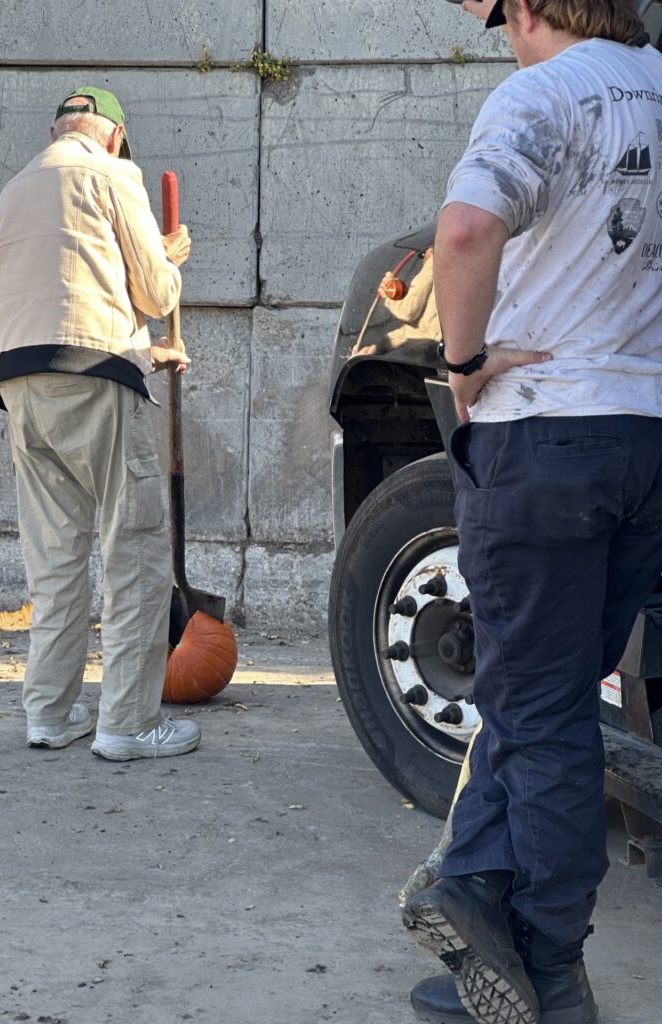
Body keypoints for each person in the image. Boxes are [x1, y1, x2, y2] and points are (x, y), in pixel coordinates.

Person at [402, 2, 662, 1023]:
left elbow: (466, 229)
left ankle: (551, 967)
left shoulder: (546, 92)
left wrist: (462, 363)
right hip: (645, 437)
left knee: (542, 713)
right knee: (535, 692)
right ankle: (473, 899)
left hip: (546, 430)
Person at [0, 87, 201, 761]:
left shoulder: (18, 187)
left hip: (18, 378)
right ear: (113, 137)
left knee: (55, 555)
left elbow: (68, 284)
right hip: (95, 375)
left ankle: (49, 712)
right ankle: (128, 724)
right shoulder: (112, 173)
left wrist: (145, 347)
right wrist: (171, 259)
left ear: (57, 131)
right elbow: (153, 293)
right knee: (132, 551)